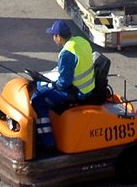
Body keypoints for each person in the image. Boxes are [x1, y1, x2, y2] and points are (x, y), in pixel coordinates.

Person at [29, 20, 96, 150]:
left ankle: (47, 142)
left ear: (59, 37)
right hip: (87, 87)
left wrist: (49, 84)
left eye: (54, 36)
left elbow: (63, 83)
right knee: (43, 88)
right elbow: (76, 66)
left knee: (38, 99)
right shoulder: (81, 41)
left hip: (76, 92)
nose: (53, 39)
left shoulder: (66, 53)